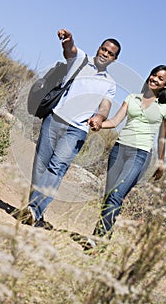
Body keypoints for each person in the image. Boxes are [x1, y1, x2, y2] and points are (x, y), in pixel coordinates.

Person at [21, 28, 121, 227]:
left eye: (110, 54)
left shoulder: (110, 83)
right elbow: (70, 50)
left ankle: (34, 210)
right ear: (99, 49)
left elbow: (105, 106)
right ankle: (35, 212)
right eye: (103, 49)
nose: (105, 54)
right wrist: (68, 40)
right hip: (55, 118)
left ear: (114, 60)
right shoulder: (82, 60)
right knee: (41, 165)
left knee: (57, 167)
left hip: (77, 130)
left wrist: (100, 118)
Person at [87, 64, 166, 242]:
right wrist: (98, 125)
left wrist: (161, 162)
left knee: (117, 194)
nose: (154, 79)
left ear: (165, 85)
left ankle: (98, 240)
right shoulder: (132, 98)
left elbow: (162, 137)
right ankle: (105, 235)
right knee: (108, 195)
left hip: (140, 154)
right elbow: (114, 121)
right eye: (153, 75)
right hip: (119, 149)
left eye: (160, 78)